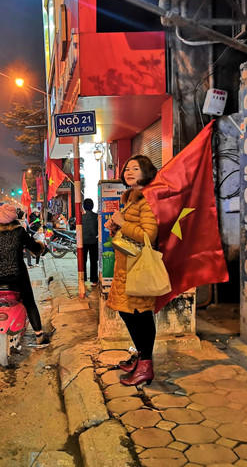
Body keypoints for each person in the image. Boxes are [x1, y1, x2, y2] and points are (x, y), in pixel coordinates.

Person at [105, 156, 159, 387]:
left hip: (138, 267)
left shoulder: (146, 200)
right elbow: (128, 233)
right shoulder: (130, 199)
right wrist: (115, 227)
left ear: (146, 172)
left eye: (135, 168)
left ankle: (145, 365)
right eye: (127, 168)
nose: (128, 171)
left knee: (140, 314)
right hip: (126, 265)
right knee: (127, 312)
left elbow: (148, 235)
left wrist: (122, 223)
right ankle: (141, 356)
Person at [0, 204, 50, 347]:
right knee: (29, 302)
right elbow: (35, 248)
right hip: (18, 276)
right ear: (13, 217)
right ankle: (39, 337)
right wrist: (41, 246)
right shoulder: (19, 231)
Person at [82, 198, 99, 286]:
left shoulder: (81, 217)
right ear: (92, 206)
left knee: (83, 261)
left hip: (83, 242)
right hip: (94, 242)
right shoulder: (96, 216)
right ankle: (94, 280)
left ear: (84, 206)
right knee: (93, 261)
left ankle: (83, 278)